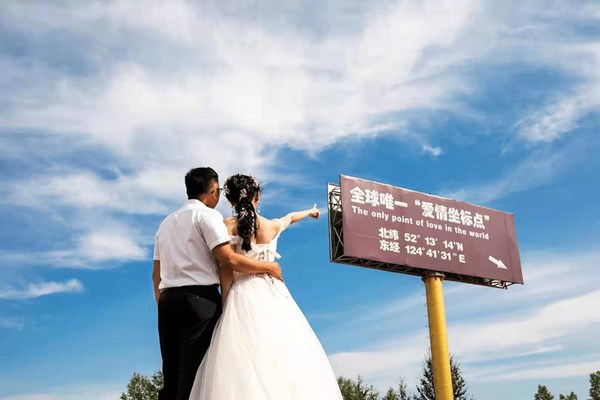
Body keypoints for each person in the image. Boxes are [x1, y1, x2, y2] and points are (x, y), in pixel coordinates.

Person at [189, 173, 343, 400]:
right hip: (274, 295)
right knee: (285, 353)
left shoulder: (227, 226)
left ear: (231, 201)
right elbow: (290, 217)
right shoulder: (271, 226)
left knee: (240, 361)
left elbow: (226, 268)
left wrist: (225, 304)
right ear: (257, 196)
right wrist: (310, 212)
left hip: (242, 295)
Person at [152, 167, 282, 400]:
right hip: (199, 300)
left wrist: (163, 303)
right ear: (213, 191)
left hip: (168, 302)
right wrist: (269, 267)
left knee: (171, 374)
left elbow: (156, 275)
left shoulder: (165, 223)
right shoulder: (207, 217)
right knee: (196, 373)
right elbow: (228, 260)